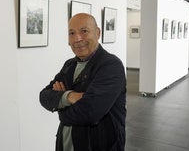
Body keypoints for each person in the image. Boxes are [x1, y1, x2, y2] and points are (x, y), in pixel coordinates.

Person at [39, 13, 126, 151]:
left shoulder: (111, 66)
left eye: (84, 31)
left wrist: (61, 108)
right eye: (71, 33)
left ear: (97, 33)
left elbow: (90, 113)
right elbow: (43, 96)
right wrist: (70, 96)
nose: (77, 39)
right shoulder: (70, 65)